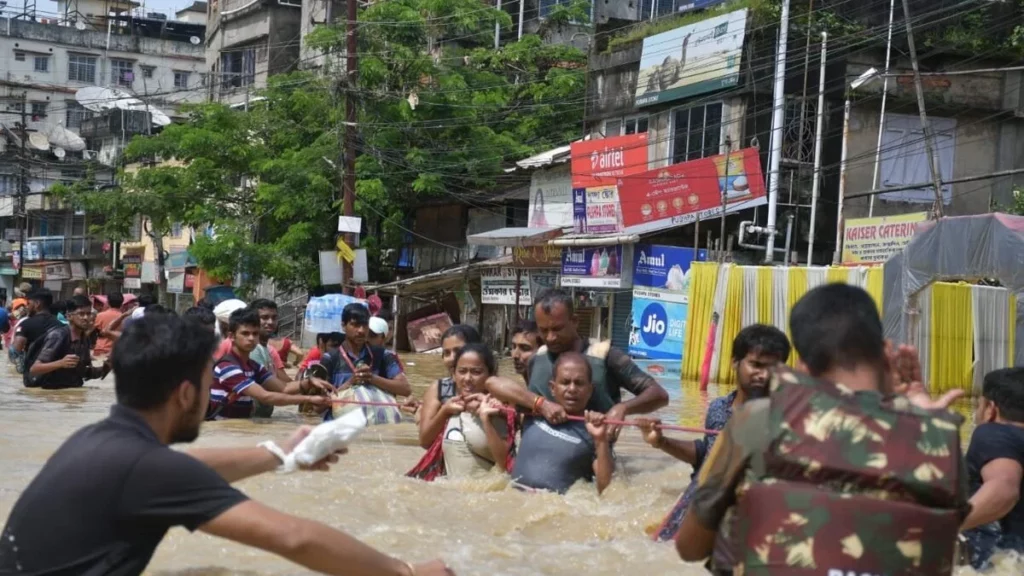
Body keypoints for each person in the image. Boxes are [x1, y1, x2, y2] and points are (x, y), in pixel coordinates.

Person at [0, 313, 454, 576]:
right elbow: (294, 538)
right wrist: (406, 572)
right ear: (184, 394)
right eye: (206, 381)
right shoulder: (147, 469)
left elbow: (188, 468)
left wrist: (281, 453)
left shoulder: (97, 439)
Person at [675, 283, 969, 575]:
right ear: (885, 351)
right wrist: (920, 417)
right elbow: (947, 541)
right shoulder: (941, 436)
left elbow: (689, 547)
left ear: (802, 365)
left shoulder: (756, 420)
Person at [641, 324, 790, 542]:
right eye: (756, 365)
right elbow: (706, 454)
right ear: (734, 363)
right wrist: (661, 441)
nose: (764, 375)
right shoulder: (719, 408)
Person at [486, 289, 668, 435]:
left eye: (557, 329)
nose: (550, 337)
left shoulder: (605, 356)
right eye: (544, 330)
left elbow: (659, 395)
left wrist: (623, 408)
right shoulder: (536, 359)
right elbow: (494, 384)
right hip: (537, 461)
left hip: (591, 460)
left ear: (575, 321)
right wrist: (540, 404)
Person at [509, 352, 613, 495]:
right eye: (565, 382)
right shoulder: (532, 412)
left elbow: (607, 489)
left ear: (590, 390)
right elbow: (492, 383)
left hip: (556, 506)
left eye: (579, 383)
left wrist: (601, 440)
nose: (572, 389)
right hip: (512, 498)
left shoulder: (595, 431)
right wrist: (541, 404)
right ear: (552, 388)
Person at [409, 344, 515, 480]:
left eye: (476, 372)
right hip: (451, 493)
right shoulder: (450, 407)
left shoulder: (500, 408)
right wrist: (444, 411)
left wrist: (485, 418)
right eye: (462, 371)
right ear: (453, 374)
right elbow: (425, 441)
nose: (467, 378)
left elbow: (507, 465)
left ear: (491, 376)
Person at [208, 308, 333, 420]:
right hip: (223, 426)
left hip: (238, 427)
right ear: (232, 336)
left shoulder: (253, 366)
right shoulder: (227, 367)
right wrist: (309, 399)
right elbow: (265, 397)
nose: (251, 338)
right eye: (245, 333)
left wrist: (309, 382)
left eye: (255, 333)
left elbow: (284, 388)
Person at [960, 367, 1024, 570]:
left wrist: (944, 526)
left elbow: (1004, 488)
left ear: (990, 408)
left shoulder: (993, 432)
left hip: (1001, 562)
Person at [321, 303, 411, 425]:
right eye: (355, 325)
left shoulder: (384, 355)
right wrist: (350, 382)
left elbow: (405, 389)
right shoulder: (330, 359)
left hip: (378, 429)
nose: (361, 331)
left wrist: (372, 378)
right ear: (343, 326)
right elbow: (318, 406)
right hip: (340, 428)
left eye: (365, 325)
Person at [417, 325, 483, 449]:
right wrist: (444, 411)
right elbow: (424, 441)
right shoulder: (439, 389)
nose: (452, 358)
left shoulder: (493, 388)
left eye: (458, 351)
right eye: (447, 353)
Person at [25, 295, 110, 389]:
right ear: (69, 316)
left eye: (89, 313)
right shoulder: (58, 336)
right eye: (81, 314)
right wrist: (60, 363)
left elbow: (83, 373)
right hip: (52, 394)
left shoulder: (84, 339)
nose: (86, 318)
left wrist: (106, 368)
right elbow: (34, 369)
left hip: (72, 393)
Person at [12, 288, 63, 355]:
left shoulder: (26, 324)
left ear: (37, 304)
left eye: (28, 303)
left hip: (31, 364)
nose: (27, 307)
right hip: (54, 364)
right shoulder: (60, 324)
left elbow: (14, 352)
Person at [93, 292, 125, 358]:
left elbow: (91, 331)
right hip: (117, 350)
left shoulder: (100, 315)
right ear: (122, 303)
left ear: (107, 302)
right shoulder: (125, 318)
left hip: (100, 349)